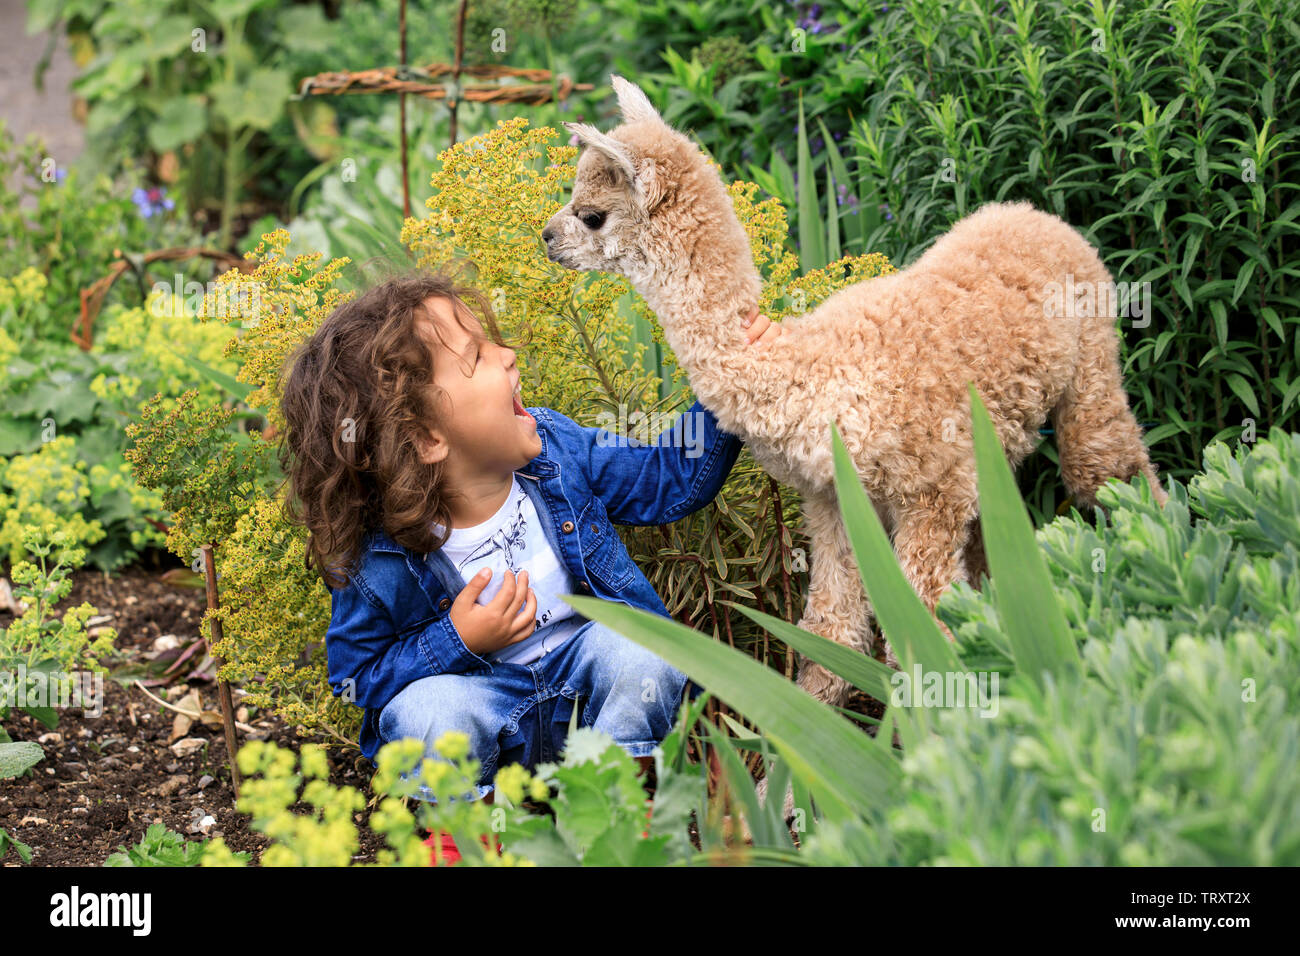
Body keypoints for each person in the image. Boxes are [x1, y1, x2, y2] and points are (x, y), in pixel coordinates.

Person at [278, 271, 783, 864]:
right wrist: (456, 641)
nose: (509, 355)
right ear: (429, 436)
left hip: (590, 706)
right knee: (424, 711)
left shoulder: (555, 450)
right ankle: (467, 837)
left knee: (641, 650)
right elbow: (357, 679)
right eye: (479, 355)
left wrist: (725, 381)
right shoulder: (379, 557)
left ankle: (617, 810)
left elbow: (664, 481)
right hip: (489, 722)